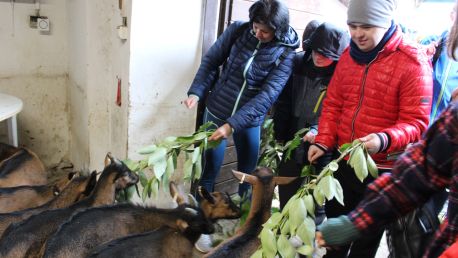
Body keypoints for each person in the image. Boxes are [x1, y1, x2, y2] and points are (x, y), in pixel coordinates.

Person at [307, 0, 433, 257]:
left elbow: (417, 123)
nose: (357, 34)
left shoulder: (412, 62)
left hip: (381, 168)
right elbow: (334, 103)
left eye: (366, 26)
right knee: (334, 235)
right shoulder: (348, 56)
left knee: (365, 239)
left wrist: (383, 139)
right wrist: (324, 140)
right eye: (352, 26)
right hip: (343, 161)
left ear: (385, 22)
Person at [183, 0, 299, 253]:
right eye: (256, 27)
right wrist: (197, 92)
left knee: (249, 172)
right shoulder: (238, 30)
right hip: (217, 109)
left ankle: (246, 224)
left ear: (278, 30)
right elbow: (211, 62)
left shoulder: (286, 53)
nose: (258, 33)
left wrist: (232, 125)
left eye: (265, 31)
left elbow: (267, 96)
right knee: (210, 168)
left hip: (249, 120)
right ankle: (205, 224)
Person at [315, 94, 458, 258]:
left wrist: (385, 140)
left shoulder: (417, 69)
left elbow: (415, 122)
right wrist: (353, 224)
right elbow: (414, 177)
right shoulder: (455, 119)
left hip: (383, 163)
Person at [273, 22, 350, 213]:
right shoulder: (298, 62)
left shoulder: (344, 75)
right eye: (316, 51)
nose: (318, 57)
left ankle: (309, 234)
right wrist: (279, 133)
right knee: (288, 186)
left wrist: (319, 130)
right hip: (294, 136)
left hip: (325, 142)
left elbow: (341, 111)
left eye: (326, 54)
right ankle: (284, 229)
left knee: (315, 196)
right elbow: (283, 100)